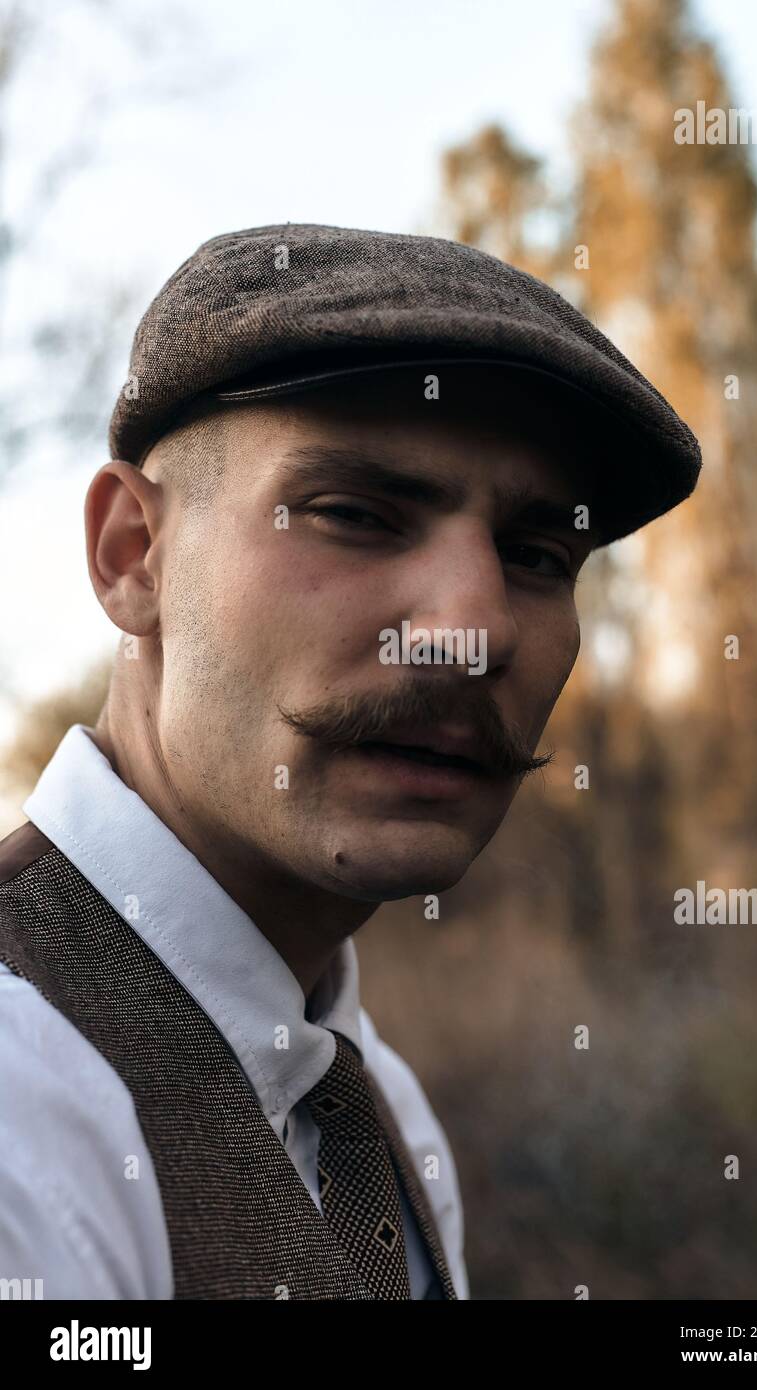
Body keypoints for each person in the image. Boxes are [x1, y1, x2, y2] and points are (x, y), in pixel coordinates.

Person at [0, 222, 701, 1300]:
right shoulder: (23, 1111)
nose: (471, 631)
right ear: (133, 555)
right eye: (355, 515)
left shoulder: (378, 1116)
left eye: (534, 555)